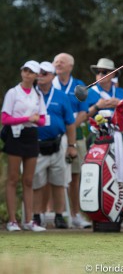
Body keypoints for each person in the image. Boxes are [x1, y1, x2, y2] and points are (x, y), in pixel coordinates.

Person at [1, 60, 46, 232]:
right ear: (22, 72)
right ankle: (12, 221)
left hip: (31, 136)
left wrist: (34, 120)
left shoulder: (38, 95)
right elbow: (4, 119)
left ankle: (29, 220)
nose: (27, 73)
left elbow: (42, 120)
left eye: (31, 71)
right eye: (25, 70)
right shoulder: (13, 92)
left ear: (36, 76)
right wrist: (27, 118)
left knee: (28, 180)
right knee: (13, 179)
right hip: (15, 135)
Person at [32, 61, 77, 229]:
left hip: (58, 144)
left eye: (44, 73)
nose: (40, 76)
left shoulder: (61, 96)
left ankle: (59, 215)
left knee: (59, 182)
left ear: (52, 76)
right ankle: (36, 215)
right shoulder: (31, 94)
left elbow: (70, 123)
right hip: (36, 145)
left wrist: (71, 145)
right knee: (37, 182)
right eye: (39, 73)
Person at [52, 53, 91, 228]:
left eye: (62, 62)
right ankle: (53, 214)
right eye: (56, 62)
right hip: (53, 136)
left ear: (70, 66)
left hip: (76, 136)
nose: (58, 64)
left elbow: (84, 112)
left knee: (75, 176)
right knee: (51, 176)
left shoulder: (79, 85)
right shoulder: (49, 83)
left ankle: (75, 214)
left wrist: (69, 126)